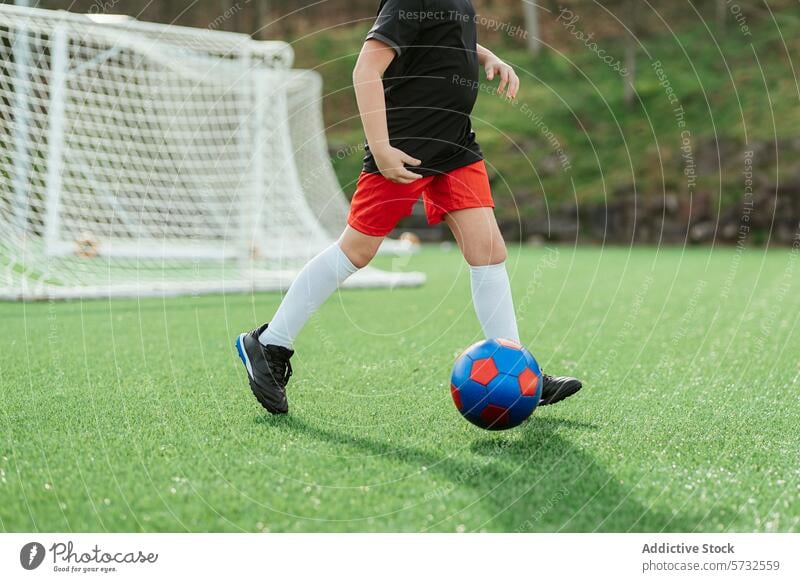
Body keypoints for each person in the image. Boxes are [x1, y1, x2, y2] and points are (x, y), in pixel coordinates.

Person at [235, 0, 582, 414]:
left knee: (488, 251)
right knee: (356, 251)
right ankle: (270, 342)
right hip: (405, 148)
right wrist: (381, 149)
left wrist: (485, 56)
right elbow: (366, 68)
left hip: (456, 145)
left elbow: (441, 43)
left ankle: (515, 372)